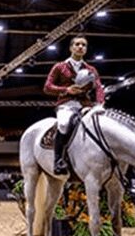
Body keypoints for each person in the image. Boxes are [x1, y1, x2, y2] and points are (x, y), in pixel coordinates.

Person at [43, 35, 105, 175]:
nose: (80, 47)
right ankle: (58, 160)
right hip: (66, 104)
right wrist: (66, 90)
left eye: (84, 45)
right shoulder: (60, 67)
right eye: (77, 44)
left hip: (85, 105)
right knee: (64, 124)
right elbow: (47, 87)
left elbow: (99, 88)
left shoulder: (91, 69)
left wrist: (100, 103)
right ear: (71, 48)